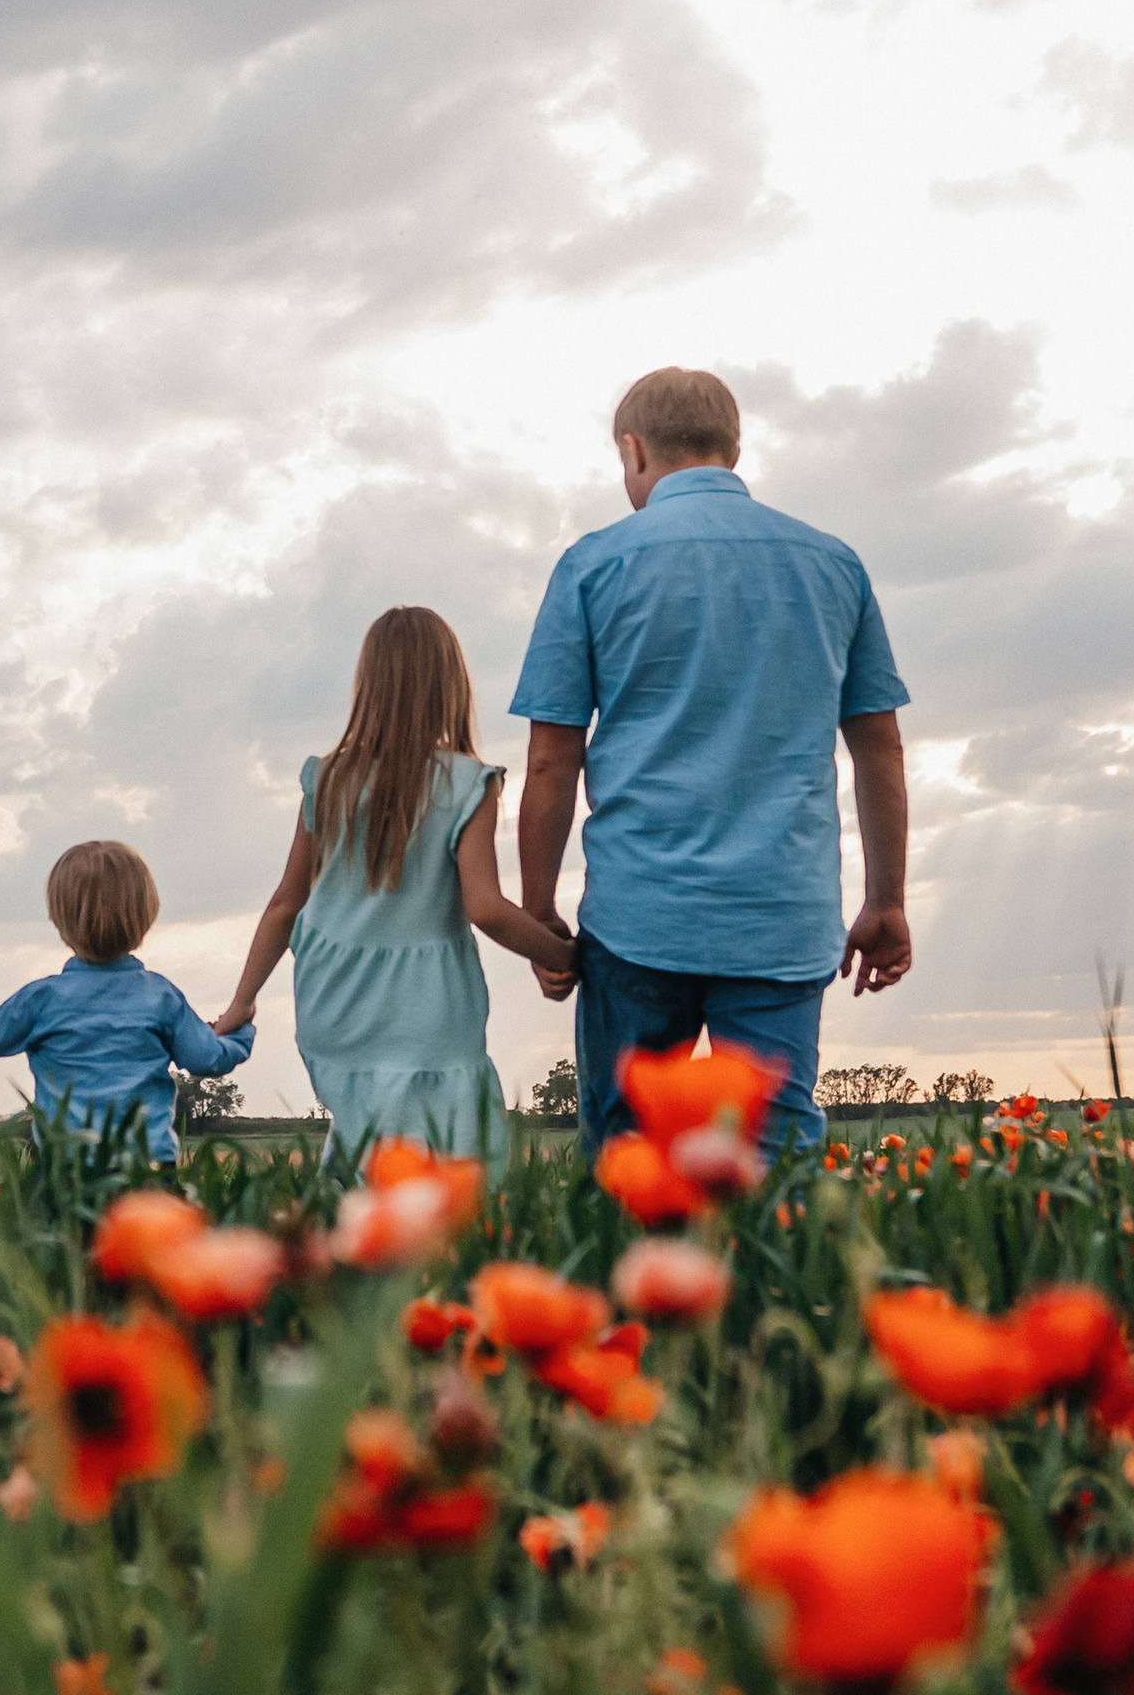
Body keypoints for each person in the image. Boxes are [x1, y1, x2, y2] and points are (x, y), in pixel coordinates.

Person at [510, 368, 911, 1158]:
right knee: (777, 1161)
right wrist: (886, 899)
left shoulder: (592, 565)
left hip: (637, 916)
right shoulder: (834, 564)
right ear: (734, 449)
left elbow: (553, 760)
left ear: (633, 451)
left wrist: (537, 908)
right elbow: (879, 749)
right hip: (782, 916)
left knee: (629, 1160)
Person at [211, 606, 578, 1164]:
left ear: (369, 686)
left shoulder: (328, 779)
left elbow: (287, 904)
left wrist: (243, 999)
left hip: (335, 994)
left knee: (367, 1132)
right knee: (453, 1149)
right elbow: (485, 907)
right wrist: (566, 954)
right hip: (425, 1002)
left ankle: (354, 1229)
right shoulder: (467, 782)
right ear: (450, 684)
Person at [0, 841, 248, 1164]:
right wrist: (240, 1030)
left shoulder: (42, 1000)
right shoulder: (161, 998)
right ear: (146, 916)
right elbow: (208, 1059)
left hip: (65, 1170)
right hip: (146, 1168)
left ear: (59, 920)